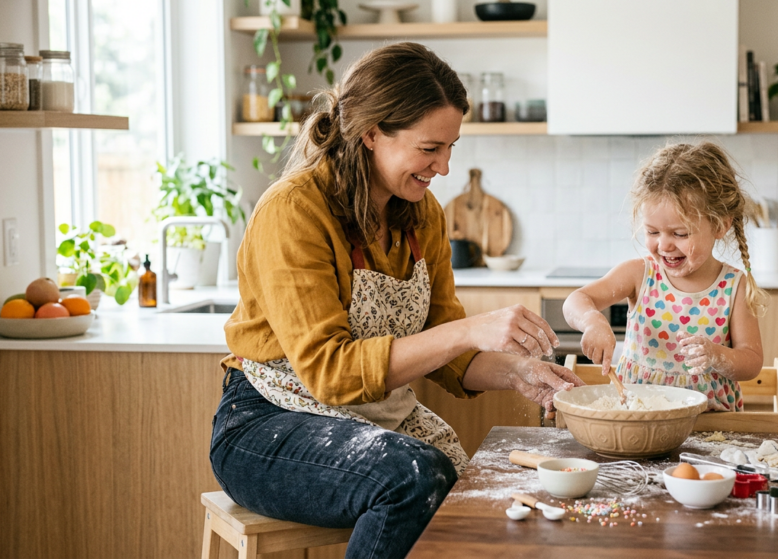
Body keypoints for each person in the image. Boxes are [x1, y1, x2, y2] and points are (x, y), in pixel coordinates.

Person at [209, 42, 583, 559]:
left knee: (464, 482)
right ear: (371, 132)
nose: (445, 167)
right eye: (430, 149)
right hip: (265, 425)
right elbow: (329, 372)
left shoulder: (422, 214)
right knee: (414, 476)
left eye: (451, 147)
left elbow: (451, 360)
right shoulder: (293, 211)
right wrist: (469, 330)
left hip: (376, 419)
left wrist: (519, 372)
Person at [562, 141, 765, 411]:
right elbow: (577, 299)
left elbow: (751, 361)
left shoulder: (733, 287)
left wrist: (715, 355)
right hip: (639, 417)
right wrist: (591, 320)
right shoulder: (639, 274)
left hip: (709, 426)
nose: (665, 245)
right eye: (653, 232)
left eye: (680, 234)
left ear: (719, 225)